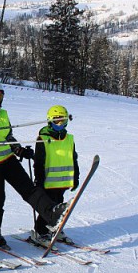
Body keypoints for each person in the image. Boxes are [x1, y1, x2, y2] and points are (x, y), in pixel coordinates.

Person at [0, 82, 69, 250]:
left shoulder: (3, 114)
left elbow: (8, 136)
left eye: (0, 97)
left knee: (28, 188)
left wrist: (19, 150)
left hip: (7, 159)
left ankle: (51, 211)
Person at [30, 105, 80, 246]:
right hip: (48, 181)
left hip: (63, 181)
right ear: (50, 121)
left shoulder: (69, 139)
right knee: (49, 208)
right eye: (57, 121)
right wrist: (38, 180)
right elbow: (38, 162)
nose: (60, 124)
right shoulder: (43, 138)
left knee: (60, 207)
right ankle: (40, 231)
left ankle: (54, 228)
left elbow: (73, 159)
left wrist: (75, 177)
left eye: (63, 121)